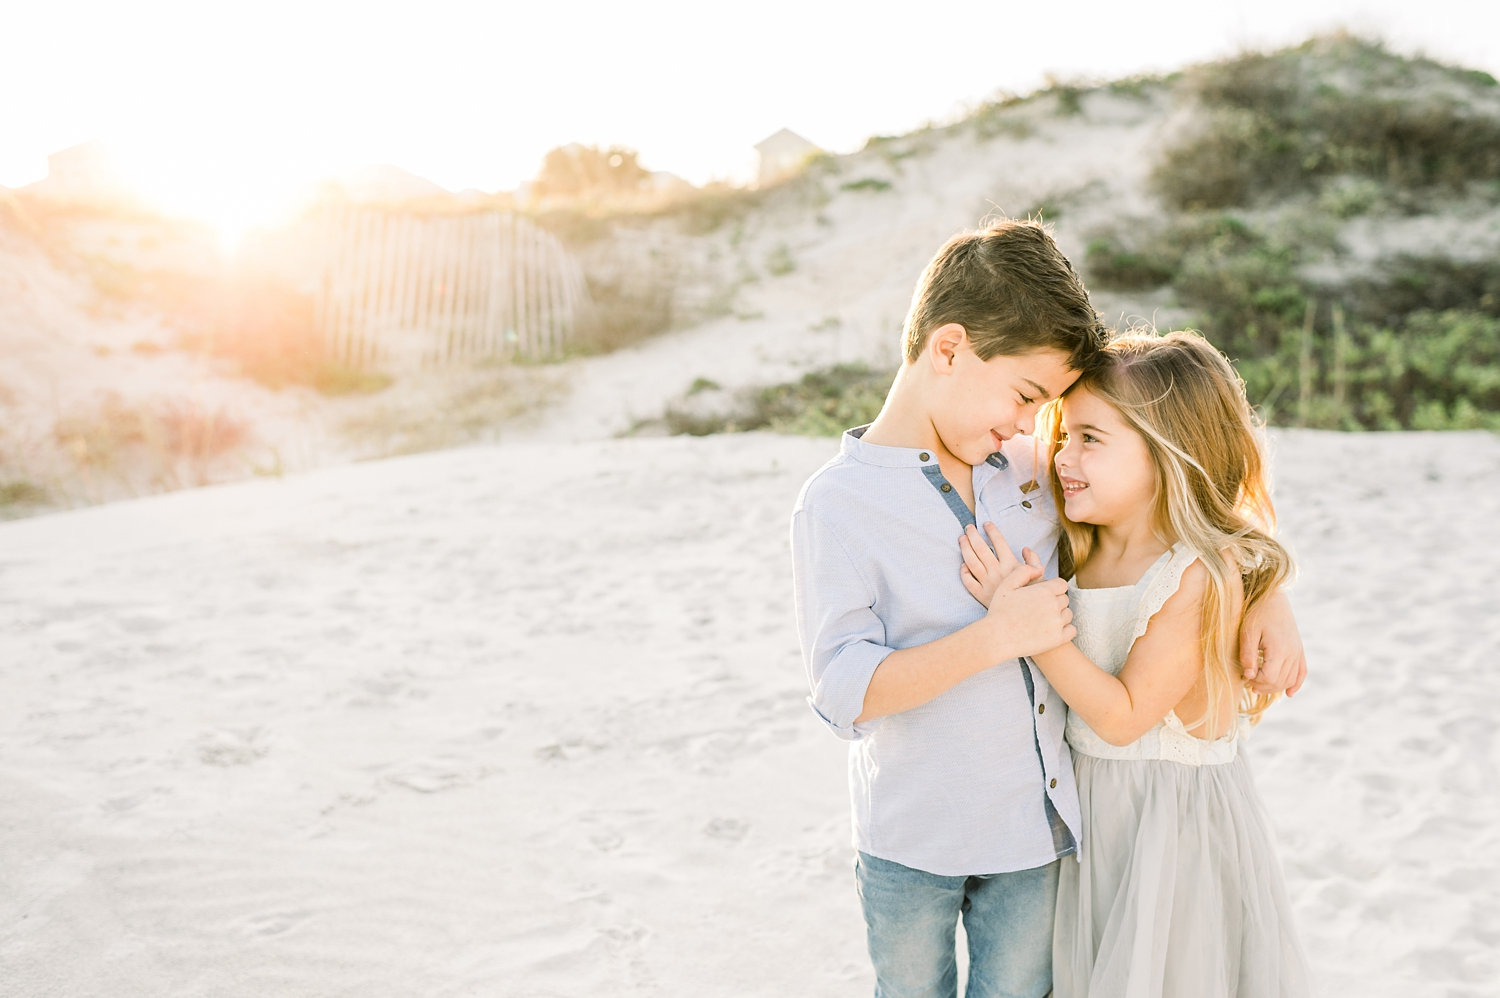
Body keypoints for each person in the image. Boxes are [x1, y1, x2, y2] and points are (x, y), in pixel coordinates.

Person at [790, 218, 1307, 998]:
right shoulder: (838, 504)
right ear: (950, 349)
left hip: (1039, 836)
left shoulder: (1027, 472)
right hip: (909, 838)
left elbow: (1185, 495)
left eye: (1050, 410)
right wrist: (999, 637)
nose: (1037, 429)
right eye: (1028, 396)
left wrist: (1266, 592)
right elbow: (843, 696)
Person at [958, 328, 1312, 997]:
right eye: (1064, 434)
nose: (1063, 455)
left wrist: (1034, 630)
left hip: (1169, 834)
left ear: (1169, 455)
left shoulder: (1197, 575)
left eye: (1091, 439)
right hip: (1092, 817)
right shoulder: (1079, 542)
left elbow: (1123, 718)